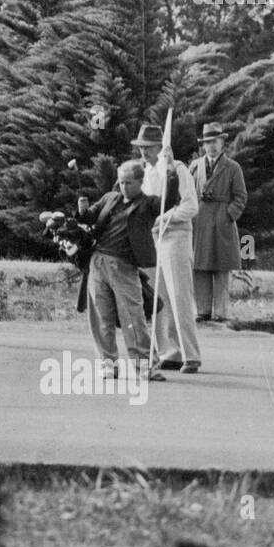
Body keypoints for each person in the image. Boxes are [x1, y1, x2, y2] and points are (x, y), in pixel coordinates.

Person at [76, 160, 165, 381]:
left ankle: (145, 366)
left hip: (124, 265)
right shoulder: (110, 198)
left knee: (132, 316)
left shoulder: (148, 204)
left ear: (140, 182)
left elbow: (169, 201)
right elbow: (91, 217)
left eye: (128, 183)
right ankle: (108, 364)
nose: (123, 187)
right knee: (101, 317)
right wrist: (82, 210)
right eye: (121, 182)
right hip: (98, 261)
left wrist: (171, 172)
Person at [133, 123, 202, 374]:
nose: (143, 153)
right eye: (140, 148)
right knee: (157, 298)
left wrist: (165, 217)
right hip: (153, 237)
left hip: (176, 235)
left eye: (148, 148)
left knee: (179, 295)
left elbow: (191, 206)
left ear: (160, 147)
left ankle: (191, 355)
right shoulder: (143, 173)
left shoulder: (177, 169)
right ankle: (169, 352)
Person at [190, 122, 248, 323]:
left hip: (222, 221)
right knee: (200, 267)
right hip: (199, 220)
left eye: (215, 142)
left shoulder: (233, 167)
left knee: (221, 268)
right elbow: (187, 193)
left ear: (222, 142)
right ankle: (202, 310)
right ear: (203, 145)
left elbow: (241, 196)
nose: (211, 146)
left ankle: (221, 313)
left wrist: (228, 215)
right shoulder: (195, 166)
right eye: (207, 142)